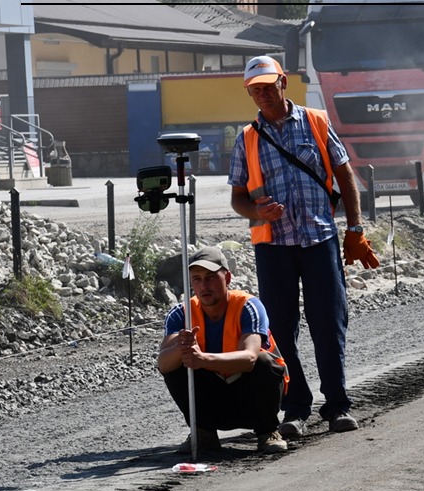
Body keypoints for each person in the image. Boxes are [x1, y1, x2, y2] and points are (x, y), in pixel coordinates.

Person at [228, 55, 380, 438]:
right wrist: (256, 209)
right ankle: (295, 408)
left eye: (267, 85)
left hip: (319, 240)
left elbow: (345, 175)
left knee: (329, 324)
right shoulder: (246, 138)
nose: (261, 94)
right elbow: (237, 199)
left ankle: (338, 405)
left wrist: (355, 229)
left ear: (283, 83)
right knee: (279, 329)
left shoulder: (316, 122)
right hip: (274, 246)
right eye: (254, 89)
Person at [157, 246, 289, 455]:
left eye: (210, 277)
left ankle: (268, 431)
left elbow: (250, 358)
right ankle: (203, 432)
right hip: (213, 400)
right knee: (177, 362)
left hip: (251, 398)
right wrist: (180, 347)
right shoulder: (181, 312)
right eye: (197, 279)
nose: (204, 285)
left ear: (227, 278)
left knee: (264, 362)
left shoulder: (249, 306)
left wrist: (202, 359)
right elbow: (163, 364)